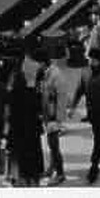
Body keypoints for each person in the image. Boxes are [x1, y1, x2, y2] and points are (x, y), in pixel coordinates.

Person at [68, 48, 100, 184]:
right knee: (99, 136)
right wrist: (72, 107)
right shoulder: (85, 72)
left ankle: (94, 167)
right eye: (90, 59)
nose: (92, 62)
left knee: (97, 139)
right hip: (91, 111)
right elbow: (79, 91)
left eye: (95, 60)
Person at [6, 69, 44, 186]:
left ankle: (18, 179)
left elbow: (8, 114)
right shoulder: (33, 93)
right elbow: (39, 110)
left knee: (17, 155)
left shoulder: (11, 95)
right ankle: (34, 179)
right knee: (33, 154)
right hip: (33, 130)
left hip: (17, 131)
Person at [37, 55, 65, 184]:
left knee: (54, 145)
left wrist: (58, 120)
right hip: (47, 115)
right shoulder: (45, 73)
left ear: (43, 62)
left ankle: (60, 174)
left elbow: (61, 98)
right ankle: (52, 168)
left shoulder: (56, 75)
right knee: (51, 144)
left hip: (53, 116)